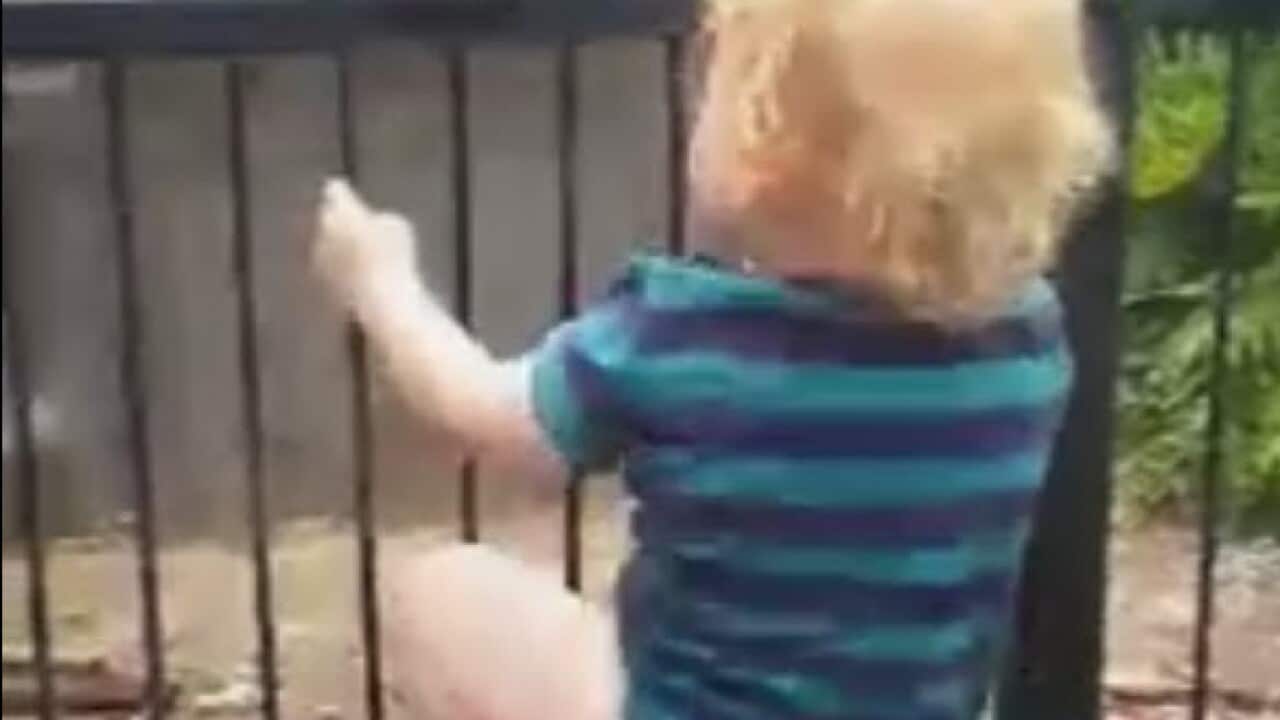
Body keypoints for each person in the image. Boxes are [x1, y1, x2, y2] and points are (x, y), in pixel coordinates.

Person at [310, 0, 1114, 717]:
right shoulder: (1025, 344)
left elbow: (483, 412)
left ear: (763, 150)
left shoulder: (684, 337)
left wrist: (380, 281)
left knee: (441, 593)